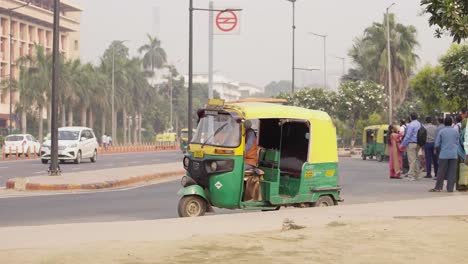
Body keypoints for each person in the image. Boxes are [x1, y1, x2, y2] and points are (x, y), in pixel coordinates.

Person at [430, 117, 460, 192]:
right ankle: (450, 188)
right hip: (454, 154)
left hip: (444, 154)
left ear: (444, 123)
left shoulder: (442, 131)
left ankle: (438, 187)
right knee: (452, 172)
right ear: (451, 122)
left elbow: (437, 144)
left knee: (441, 171)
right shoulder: (455, 131)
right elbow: (457, 142)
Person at [401, 113, 422, 181]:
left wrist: (403, 144)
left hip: (411, 143)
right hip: (418, 143)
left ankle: (411, 176)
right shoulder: (419, 124)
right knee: (416, 159)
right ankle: (417, 175)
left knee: (411, 160)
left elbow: (408, 135)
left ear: (410, 117)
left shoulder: (411, 125)